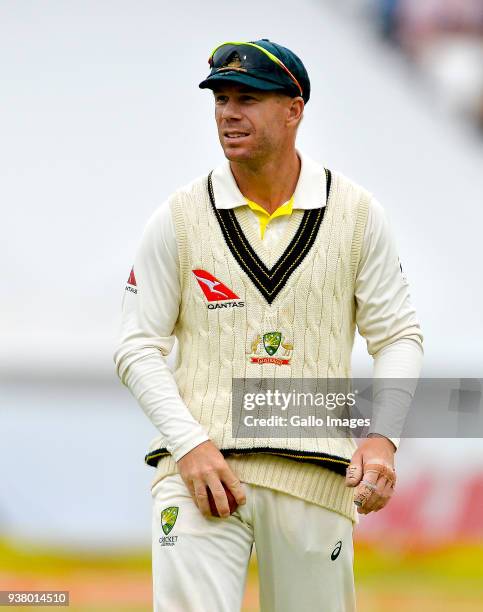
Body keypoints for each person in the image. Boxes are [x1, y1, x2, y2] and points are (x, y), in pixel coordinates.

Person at [113, 38, 423, 612]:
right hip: (202, 474)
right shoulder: (178, 218)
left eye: (248, 98)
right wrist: (190, 444)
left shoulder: (356, 215)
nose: (229, 113)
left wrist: (382, 437)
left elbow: (398, 336)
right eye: (221, 99)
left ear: (294, 109)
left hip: (315, 474)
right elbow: (136, 347)